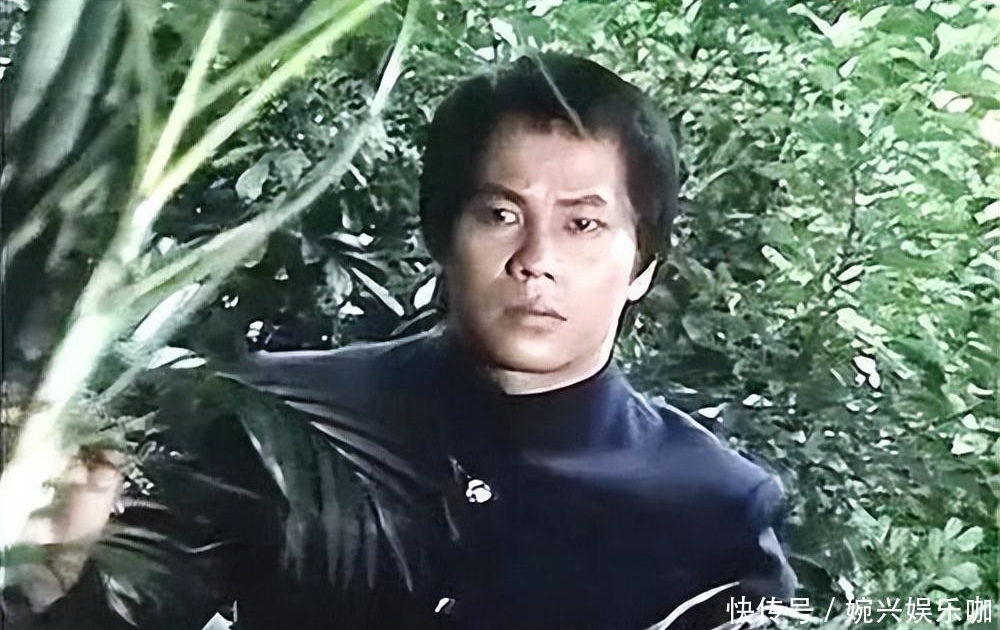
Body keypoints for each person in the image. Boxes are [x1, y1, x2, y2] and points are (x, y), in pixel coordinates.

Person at [4, 53, 796, 630]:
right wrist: (58, 578)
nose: (536, 260)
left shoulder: (714, 510)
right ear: (442, 235)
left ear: (643, 264)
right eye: (500, 214)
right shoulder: (279, 412)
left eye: (583, 223)